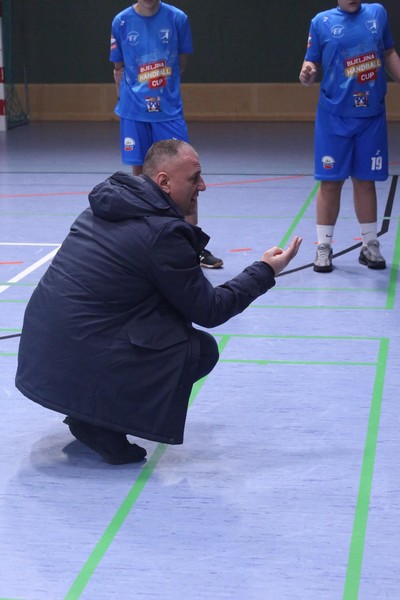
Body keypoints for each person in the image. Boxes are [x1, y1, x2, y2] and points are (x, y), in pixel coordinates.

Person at [15, 140, 302, 465]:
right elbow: (210, 310)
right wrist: (265, 270)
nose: (203, 186)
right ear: (164, 182)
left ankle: (85, 409)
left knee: (162, 318)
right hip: (76, 351)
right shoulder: (162, 234)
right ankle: (99, 425)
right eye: (194, 178)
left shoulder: (107, 203)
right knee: (197, 350)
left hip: (42, 353)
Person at [110, 0, 223, 269]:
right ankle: (144, 243)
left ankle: (192, 245)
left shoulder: (177, 18)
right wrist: (127, 101)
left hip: (168, 111)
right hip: (134, 112)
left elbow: (180, 63)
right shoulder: (121, 21)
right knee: (140, 178)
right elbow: (119, 68)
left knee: (185, 175)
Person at [299, 0, 400, 272]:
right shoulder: (321, 22)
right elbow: (311, 61)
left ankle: (370, 245)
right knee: (330, 182)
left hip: (371, 116)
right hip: (334, 117)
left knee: (365, 181)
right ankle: (324, 246)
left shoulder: (377, 13)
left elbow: (389, 52)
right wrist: (307, 73)